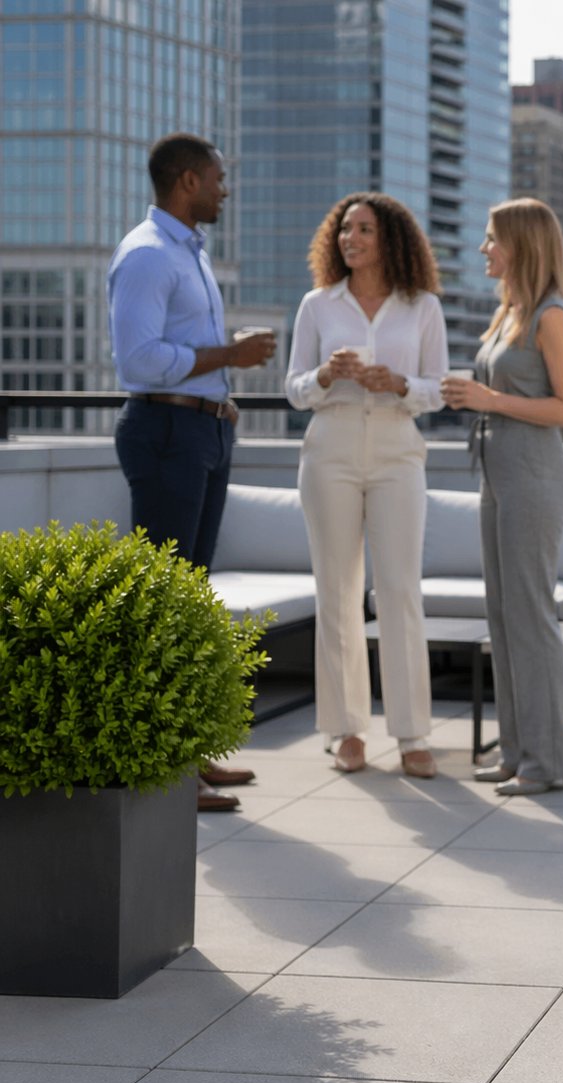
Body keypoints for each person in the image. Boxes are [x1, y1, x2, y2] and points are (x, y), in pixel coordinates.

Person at [109, 132, 275, 813]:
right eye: (217, 178)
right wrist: (228, 357)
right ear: (186, 182)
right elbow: (141, 359)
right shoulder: (148, 256)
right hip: (167, 434)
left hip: (199, 430)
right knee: (164, 604)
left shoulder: (188, 255)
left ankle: (187, 755)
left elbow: (179, 356)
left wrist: (219, 399)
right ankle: (168, 768)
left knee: (188, 601)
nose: (224, 189)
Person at [285, 192, 447, 779]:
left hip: (397, 450)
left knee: (401, 591)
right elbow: (294, 387)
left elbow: (438, 387)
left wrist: (398, 382)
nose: (350, 239)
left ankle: (412, 735)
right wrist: (327, 375)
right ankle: (346, 730)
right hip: (329, 448)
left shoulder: (422, 305)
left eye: (363, 229)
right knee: (337, 591)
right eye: (345, 230)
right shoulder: (316, 305)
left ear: (390, 238)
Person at [442, 197, 563, 797]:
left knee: (530, 617)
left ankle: (548, 761)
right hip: (497, 474)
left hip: (533, 477)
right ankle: (516, 751)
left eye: (492, 239)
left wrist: (489, 400)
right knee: (502, 616)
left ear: (521, 245)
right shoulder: (511, 313)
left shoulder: (551, 315)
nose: (484, 249)